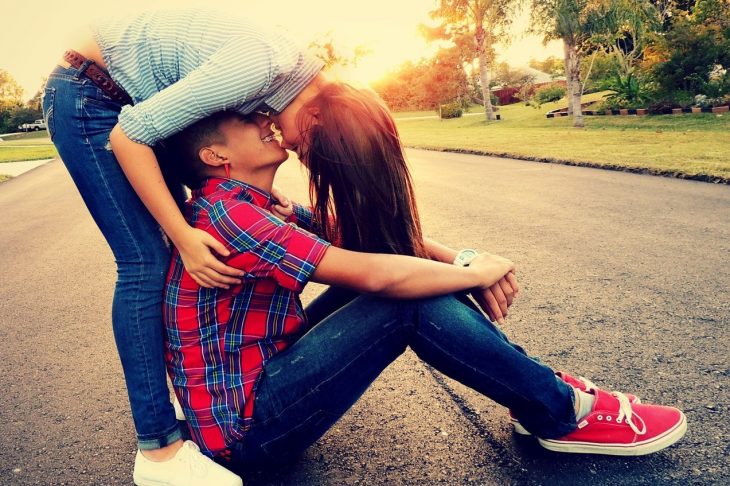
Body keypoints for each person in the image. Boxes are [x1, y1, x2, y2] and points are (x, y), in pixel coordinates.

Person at [160, 99, 686, 481]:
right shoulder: (229, 214)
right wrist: (476, 275)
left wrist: (463, 258)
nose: (265, 121)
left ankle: (538, 391)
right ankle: (562, 412)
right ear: (214, 155)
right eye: (246, 122)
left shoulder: (249, 203)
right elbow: (377, 276)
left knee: (410, 279)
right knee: (406, 304)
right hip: (251, 430)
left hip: (263, 381)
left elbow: (360, 239)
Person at [42, 8, 339, 485]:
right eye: (310, 144)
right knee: (145, 260)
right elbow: (130, 134)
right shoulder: (265, 67)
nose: (293, 145)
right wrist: (182, 238)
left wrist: (250, 194)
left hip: (126, 96)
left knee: (193, 222)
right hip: (90, 94)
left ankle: (197, 393)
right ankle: (158, 451)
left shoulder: (278, 69)